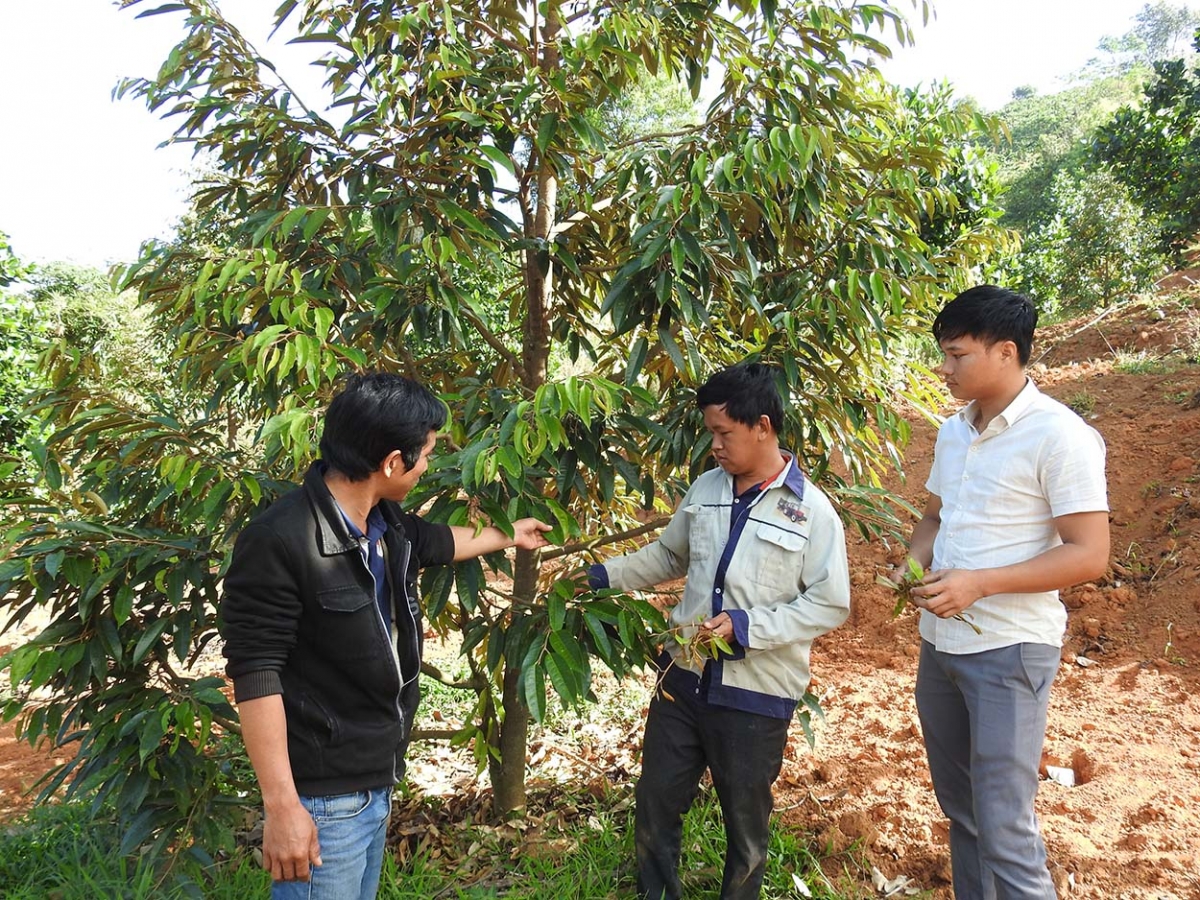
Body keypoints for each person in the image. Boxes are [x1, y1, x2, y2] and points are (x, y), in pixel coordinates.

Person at [220, 372, 551, 900]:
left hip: (375, 778)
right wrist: (283, 806)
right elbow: (255, 675)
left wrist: (509, 534)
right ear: (393, 462)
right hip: (321, 800)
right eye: (425, 457)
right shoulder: (279, 540)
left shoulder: (385, 523)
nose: (427, 469)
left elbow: (438, 541)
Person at [588, 362, 851, 900]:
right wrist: (601, 576)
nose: (715, 445)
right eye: (710, 432)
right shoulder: (707, 488)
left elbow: (830, 603)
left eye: (723, 433)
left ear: (762, 426)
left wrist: (749, 627)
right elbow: (668, 554)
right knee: (657, 800)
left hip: (755, 694)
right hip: (683, 678)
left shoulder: (811, 512)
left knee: (745, 824)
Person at [897, 286, 1110, 899]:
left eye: (956, 354)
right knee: (963, 813)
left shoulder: (1059, 437)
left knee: (1004, 824)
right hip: (941, 646)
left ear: (1006, 352)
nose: (945, 368)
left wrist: (979, 583)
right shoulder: (953, 433)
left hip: (1009, 650)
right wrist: (914, 565)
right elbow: (934, 519)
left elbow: (1089, 554)